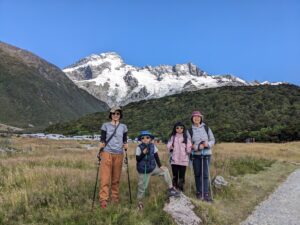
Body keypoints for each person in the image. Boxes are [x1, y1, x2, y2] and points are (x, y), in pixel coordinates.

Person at [136, 130, 180, 210]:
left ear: (150, 139)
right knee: (142, 186)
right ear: (141, 139)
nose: (145, 139)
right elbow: (138, 159)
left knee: (165, 170)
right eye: (143, 138)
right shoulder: (139, 147)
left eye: (147, 137)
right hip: (144, 170)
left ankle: (170, 188)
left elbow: (156, 156)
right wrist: (143, 153)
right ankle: (140, 202)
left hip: (153, 168)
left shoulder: (153, 146)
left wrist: (160, 166)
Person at [98, 106, 128, 208]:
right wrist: (101, 144)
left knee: (116, 178)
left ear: (120, 115)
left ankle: (114, 197)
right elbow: (102, 138)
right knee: (105, 177)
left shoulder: (124, 127)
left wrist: (125, 144)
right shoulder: (105, 125)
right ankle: (103, 199)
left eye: (117, 114)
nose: (115, 115)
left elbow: (124, 139)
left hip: (119, 153)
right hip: (107, 153)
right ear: (110, 115)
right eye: (113, 113)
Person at [189, 111, 215, 201]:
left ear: (201, 118)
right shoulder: (189, 131)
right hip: (195, 155)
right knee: (197, 174)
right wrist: (197, 147)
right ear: (192, 119)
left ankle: (206, 193)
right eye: (195, 117)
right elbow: (189, 144)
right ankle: (199, 192)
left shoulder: (207, 128)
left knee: (205, 174)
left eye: (198, 117)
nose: (197, 118)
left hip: (207, 154)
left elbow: (212, 140)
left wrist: (207, 144)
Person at [167, 121, 192, 192]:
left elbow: (189, 149)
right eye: (177, 128)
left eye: (181, 128)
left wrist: (190, 148)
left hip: (183, 161)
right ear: (175, 129)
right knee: (175, 175)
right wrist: (170, 147)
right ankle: (174, 188)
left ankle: (181, 189)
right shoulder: (173, 137)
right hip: (174, 160)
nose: (179, 129)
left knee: (182, 176)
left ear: (184, 129)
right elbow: (168, 145)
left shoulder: (186, 138)